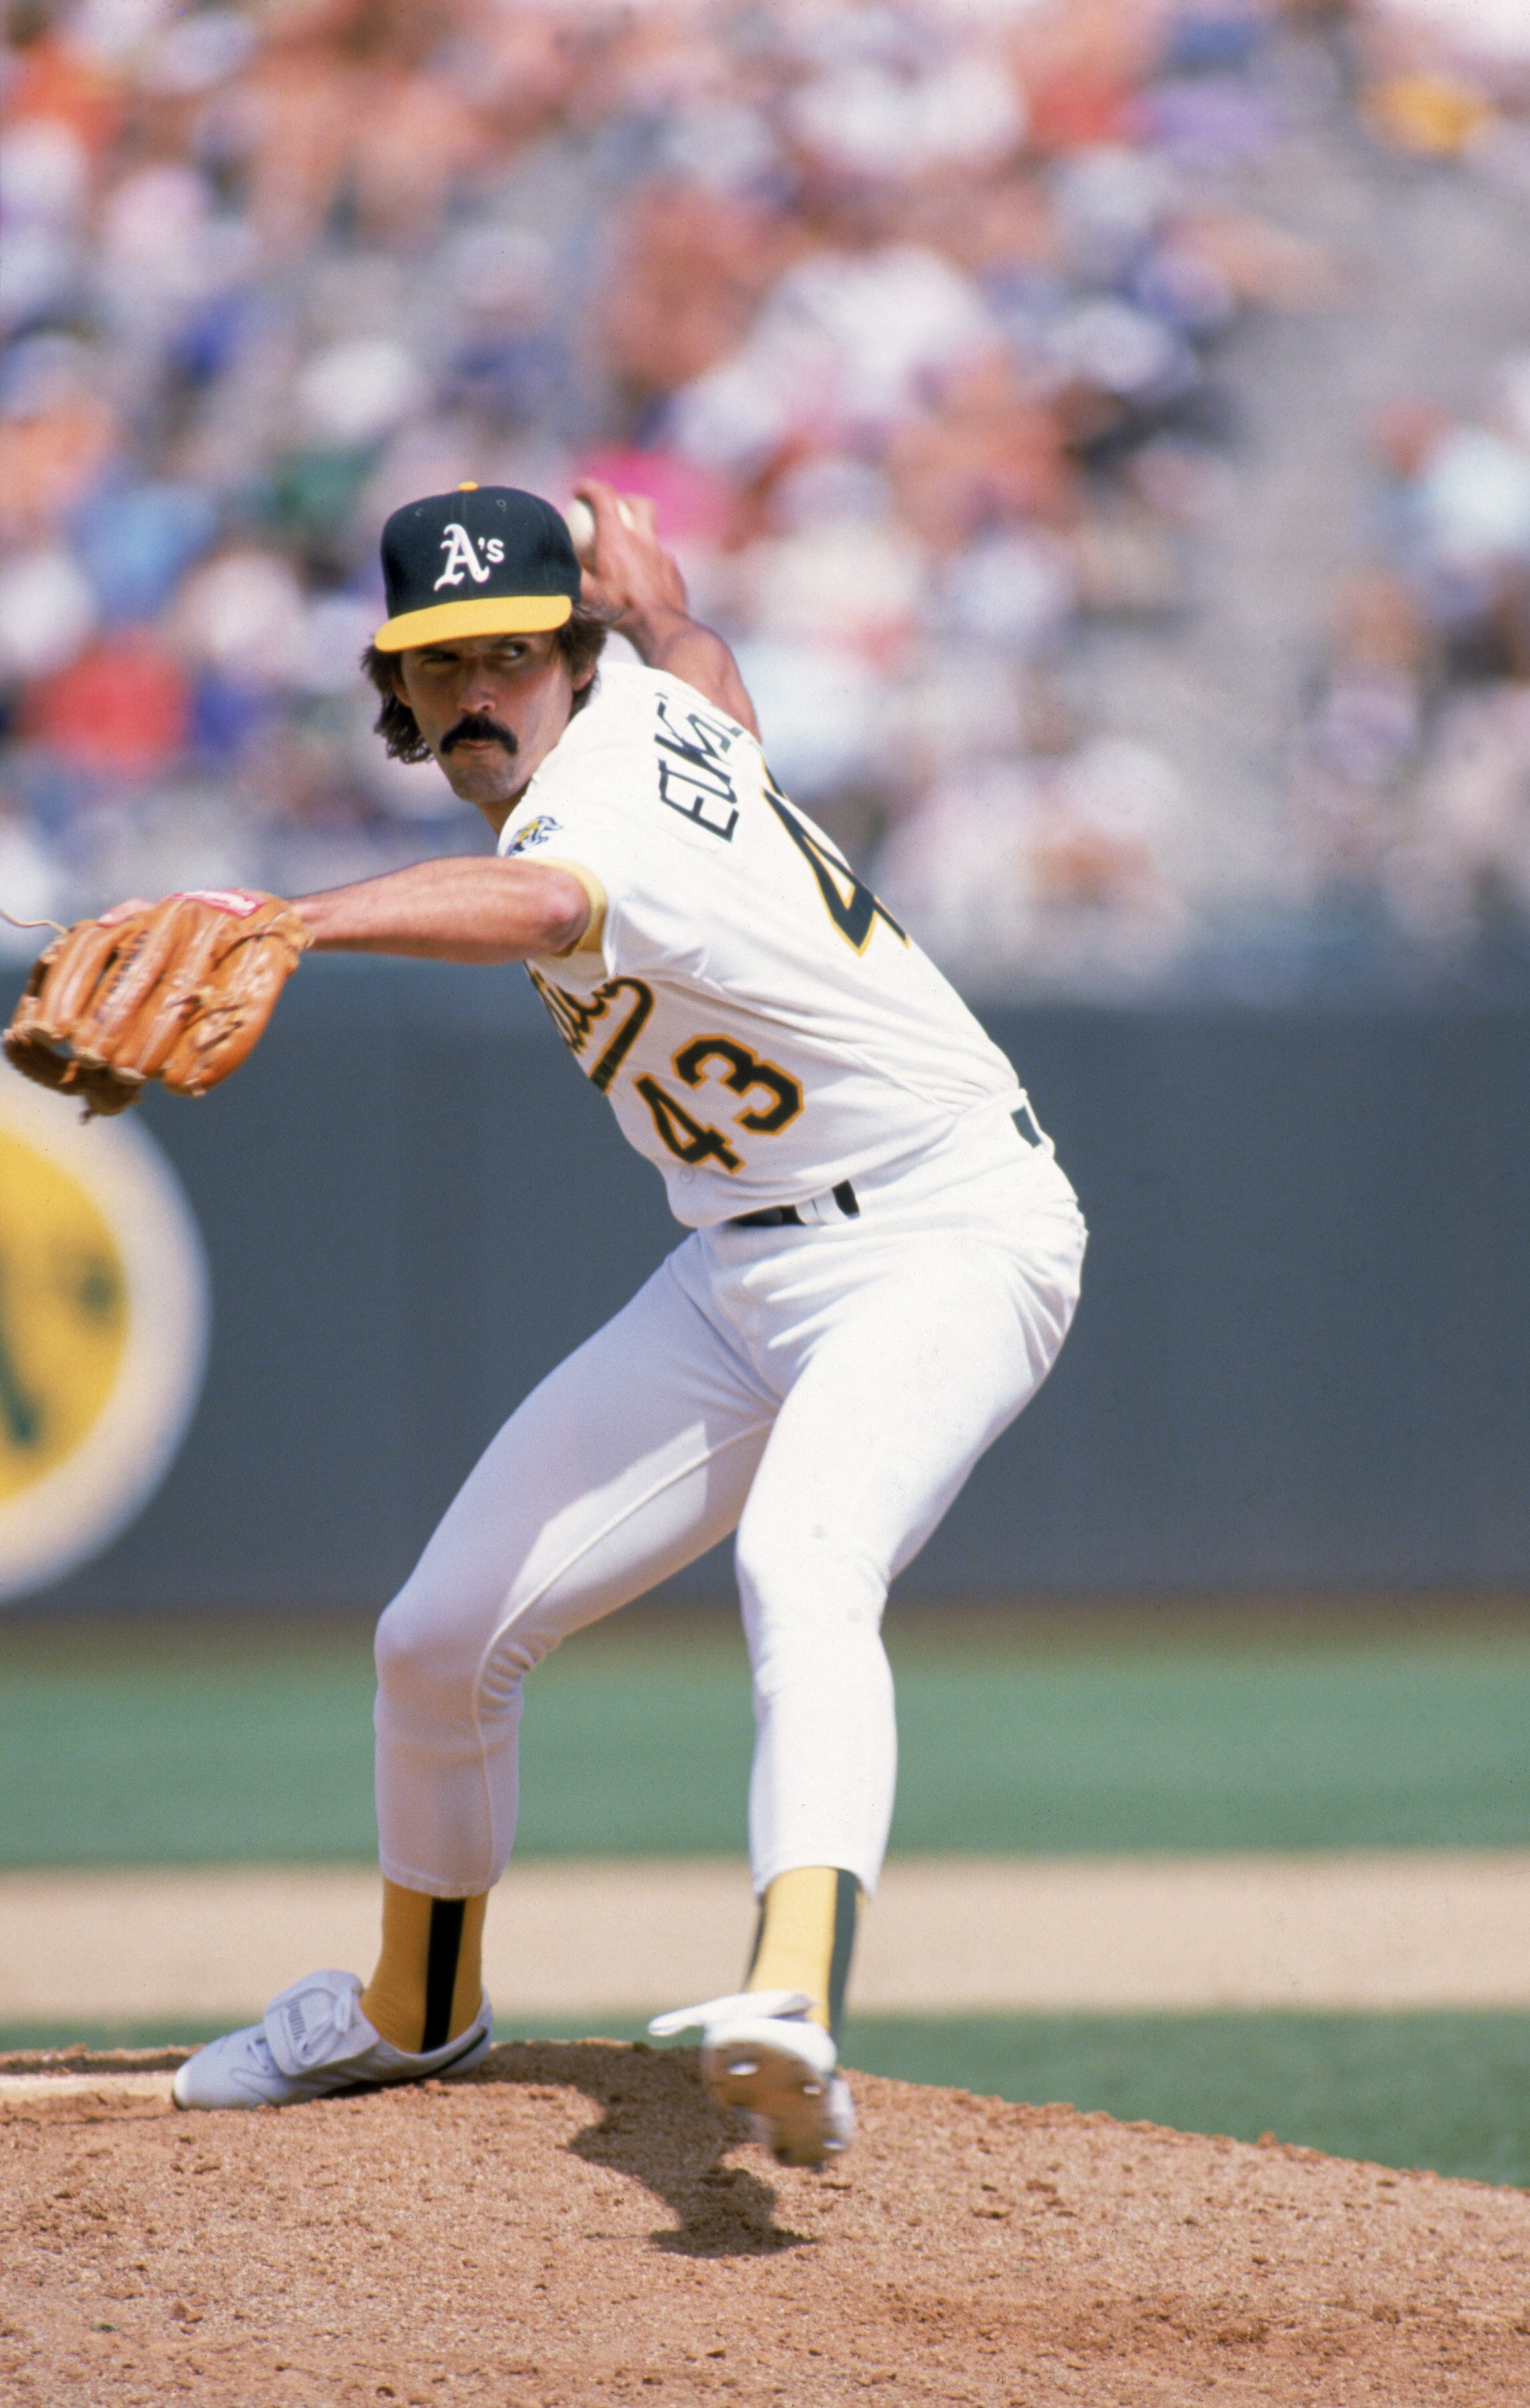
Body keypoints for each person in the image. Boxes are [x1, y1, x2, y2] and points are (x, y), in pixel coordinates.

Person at [171, 480, 1087, 2165]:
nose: (476, 694)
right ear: (395, 681)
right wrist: (668, 608)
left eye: (511, 652)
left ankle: (790, 1999)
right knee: (436, 1637)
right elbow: (719, 692)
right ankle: (412, 2002)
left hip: (950, 1231)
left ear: (565, 655)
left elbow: (538, 908)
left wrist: (290, 918)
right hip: (740, 1269)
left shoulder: (592, 803)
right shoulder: (653, 695)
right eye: (440, 665)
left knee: (803, 1566)